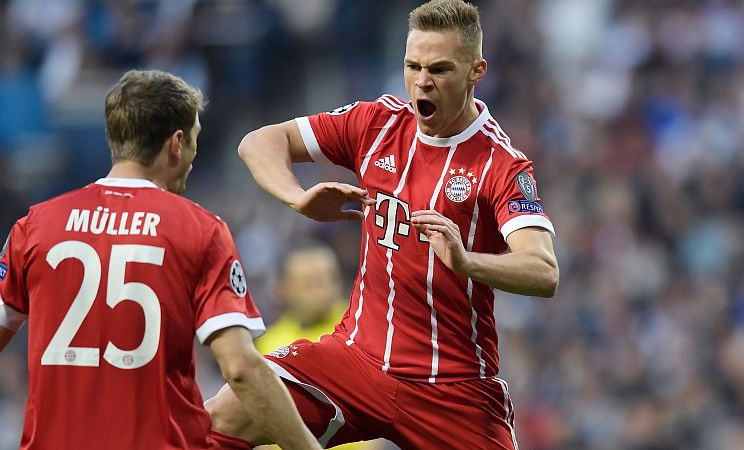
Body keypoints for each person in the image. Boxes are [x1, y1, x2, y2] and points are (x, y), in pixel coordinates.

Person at [207, 1, 559, 449]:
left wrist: (467, 261)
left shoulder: (501, 164)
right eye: (413, 66)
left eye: (440, 69)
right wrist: (298, 197)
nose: (422, 81)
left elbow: (544, 271)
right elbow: (259, 142)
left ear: (476, 71)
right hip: (356, 359)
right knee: (225, 414)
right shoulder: (376, 123)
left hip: (452, 388)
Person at [0, 69, 320, 450]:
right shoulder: (199, 230)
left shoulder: (34, 227)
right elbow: (241, 369)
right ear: (177, 143)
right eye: (194, 141)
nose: (193, 157)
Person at [255, 243, 385, 450]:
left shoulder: (362, 329)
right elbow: (259, 420)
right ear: (283, 288)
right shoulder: (268, 346)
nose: (320, 291)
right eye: (309, 284)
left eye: (326, 280)